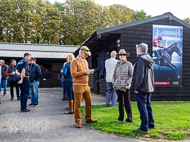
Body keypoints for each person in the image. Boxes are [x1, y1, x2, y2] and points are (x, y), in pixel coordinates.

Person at [70, 46, 97, 128]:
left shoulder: (85, 61)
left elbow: (84, 72)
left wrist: (89, 71)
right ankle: (77, 121)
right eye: (86, 54)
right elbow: (73, 74)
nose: (87, 56)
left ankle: (88, 118)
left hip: (86, 85)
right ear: (81, 52)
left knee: (89, 102)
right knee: (77, 104)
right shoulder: (74, 61)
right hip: (78, 85)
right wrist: (84, 72)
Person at [132, 43, 155, 133]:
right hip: (149, 87)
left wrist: (136, 87)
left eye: (137, 49)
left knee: (142, 107)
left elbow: (140, 75)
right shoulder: (150, 58)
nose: (136, 51)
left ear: (140, 50)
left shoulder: (141, 59)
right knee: (148, 106)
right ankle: (151, 124)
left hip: (142, 87)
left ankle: (143, 127)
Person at [113, 49, 133, 123]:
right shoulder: (117, 64)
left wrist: (127, 83)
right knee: (120, 103)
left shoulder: (129, 64)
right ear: (118, 56)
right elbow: (114, 75)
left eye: (123, 55)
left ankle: (129, 118)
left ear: (125, 56)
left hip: (125, 86)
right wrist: (113, 82)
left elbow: (132, 75)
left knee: (127, 102)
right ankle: (120, 118)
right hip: (118, 86)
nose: (122, 56)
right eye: (120, 55)